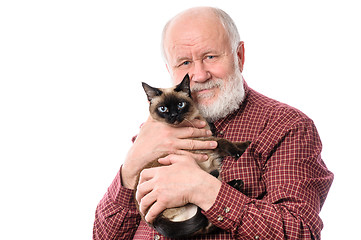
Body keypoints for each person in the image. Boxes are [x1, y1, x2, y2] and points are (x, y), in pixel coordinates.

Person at [93, 7, 333, 240]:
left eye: (210, 56)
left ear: (239, 56)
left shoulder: (286, 126)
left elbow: (300, 232)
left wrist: (204, 190)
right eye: (184, 63)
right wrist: (130, 168)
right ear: (170, 69)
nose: (199, 74)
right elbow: (104, 237)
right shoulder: (155, 131)